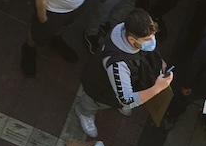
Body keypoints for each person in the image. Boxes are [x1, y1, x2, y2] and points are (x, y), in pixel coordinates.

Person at [69, 8, 173, 139]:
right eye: (147, 39)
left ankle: (112, 103)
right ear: (131, 40)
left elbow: (144, 54)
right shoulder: (117, 65)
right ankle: (83, 112)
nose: (152, 42)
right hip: (101, 90)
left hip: (121, 81)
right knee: (93, 102)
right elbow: (126, 100)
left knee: (119, 96)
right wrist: (157, 88)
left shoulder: (124, 28)